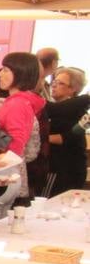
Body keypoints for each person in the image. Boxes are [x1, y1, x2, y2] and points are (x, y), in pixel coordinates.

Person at [0, 51, 48, 197]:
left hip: (5, 175)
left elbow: (16, 143)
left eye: (6, 70)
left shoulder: (17, 103)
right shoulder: (22, 101)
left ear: (20, 73)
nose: (0, 74)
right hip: (12, 171)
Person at [46, 67, 89, 196]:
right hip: (61, 167)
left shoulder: (74, 111)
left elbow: (66, 138)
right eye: (54, 81)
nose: (54, 85)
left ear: (72, 89)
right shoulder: (67, 109)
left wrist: (39, 138)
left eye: (61, 83)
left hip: (64, 169)